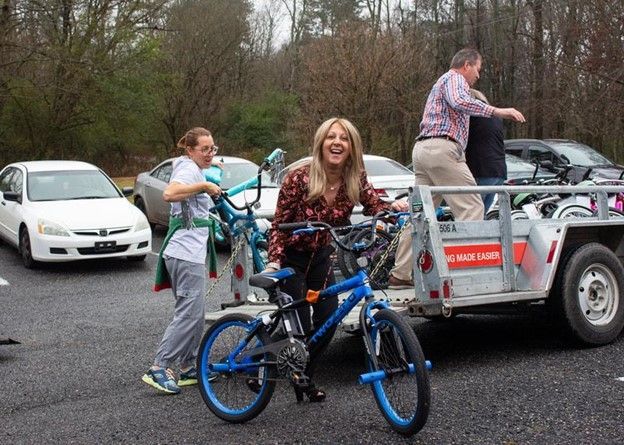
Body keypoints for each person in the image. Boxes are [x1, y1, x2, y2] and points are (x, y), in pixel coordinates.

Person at [265, 117, 408, 402]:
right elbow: (278, 225)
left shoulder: (355, 177)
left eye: (344, 138)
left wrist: (392, 208)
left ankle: (302, 374)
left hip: (321, 256)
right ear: (321, 143)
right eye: (331, 137)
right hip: (292, 258)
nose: (337, 142)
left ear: (352, 147)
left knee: (329, 318)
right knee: (301, 322)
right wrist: (275, 262)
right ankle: (287, 371)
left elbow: (373, 206)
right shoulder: (299, 178)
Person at [388, 48, 525, 289]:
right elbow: (460, 101)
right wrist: (499, 111)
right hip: (442, 150)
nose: (478, 77)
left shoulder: (438, 84)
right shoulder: (454, 79)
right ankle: (466, 273)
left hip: (423, 151)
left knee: (419, 215)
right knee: (472, 206)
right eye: (478, 70)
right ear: (467, 65)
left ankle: (400, 274)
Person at [142, 127, 222, 395]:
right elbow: (170, 194)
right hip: (184, 255)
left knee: (195, 314)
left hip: (188, 254)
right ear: (190, 150)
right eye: (205, 149)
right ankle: (159, 366)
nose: (210, 154)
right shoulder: (187, 170)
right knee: (189, 314)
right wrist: (204, 185)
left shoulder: (192, 167)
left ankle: (189, 367)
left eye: (213, 149)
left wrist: (208, 176)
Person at [465, 89, 506, 215]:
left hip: (480, 169)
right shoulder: (496, 117)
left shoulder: (472, 116)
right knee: (482, 213)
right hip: (499, 170)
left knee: (473, 213)